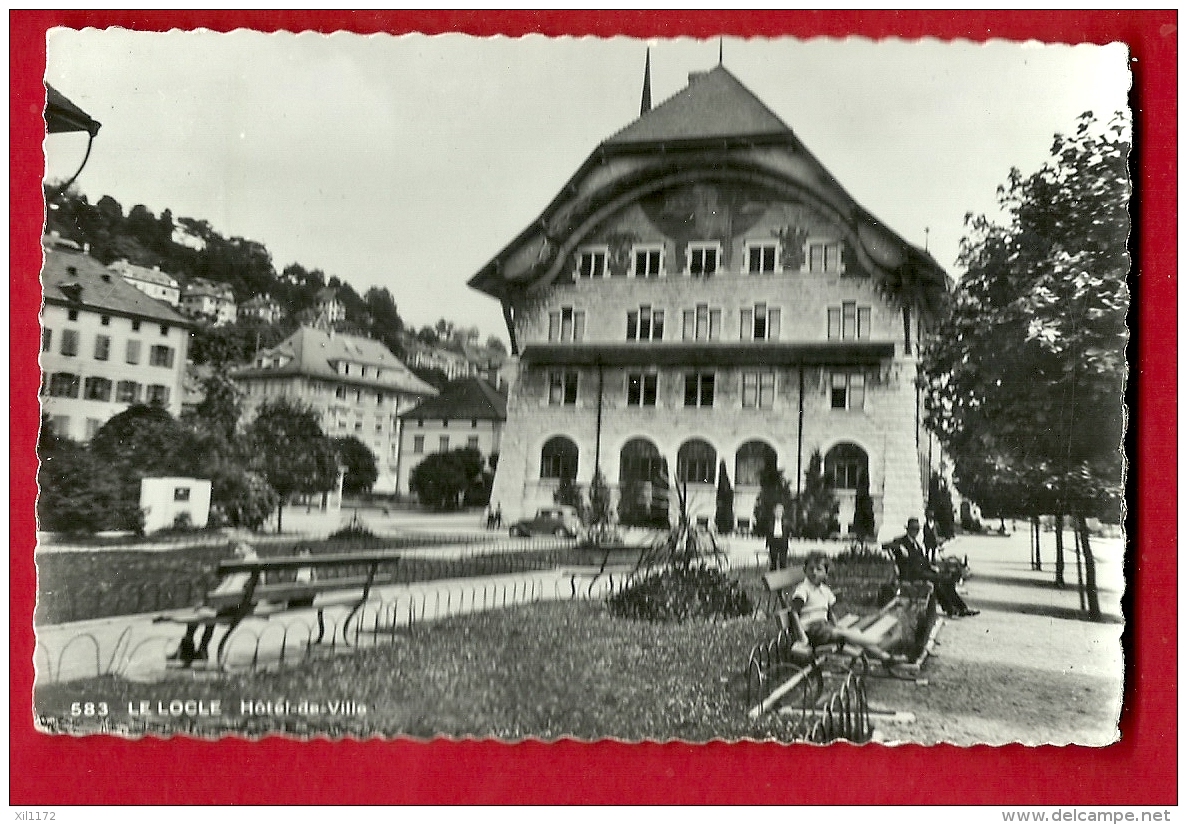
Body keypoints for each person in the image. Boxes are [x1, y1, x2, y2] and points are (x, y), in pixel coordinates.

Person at [790, 552, 909, 667]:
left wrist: (836, 625)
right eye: (811, 569)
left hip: (824, 628)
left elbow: (830, 612)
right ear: (805, 571)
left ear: (826, 573)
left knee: (852, 634)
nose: (814, 573)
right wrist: (802, 636)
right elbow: (793, 612)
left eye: (818, 569)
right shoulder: (803, 590)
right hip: (811, 631)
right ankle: (875, 641)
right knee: (847, 634)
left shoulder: (825, 590)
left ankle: (886, 658)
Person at [166, 541, 259, 665]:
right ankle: (202, 650)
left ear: (250, 547)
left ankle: (187, 650)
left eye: (240, 547)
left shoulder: (246, 566)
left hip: (234, 608)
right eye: (236, 547)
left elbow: (233, 590)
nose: (236, 551)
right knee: (207, 609)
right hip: (242, 606)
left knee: (200, 611)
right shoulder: (254, 563)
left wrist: (215, 600)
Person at [889, 517, 979, 618]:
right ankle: (950, 609)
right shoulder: (901, 541)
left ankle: (962, 608)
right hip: (911, 574)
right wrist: (900, 547)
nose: (915, 532)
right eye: (913, 529)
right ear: (908, 529)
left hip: (922, 572)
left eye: (917, 529)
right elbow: (887, 545)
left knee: (947, 580)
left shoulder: (915, 543)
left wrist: (932, 567)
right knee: (938, 580)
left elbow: (922, 560)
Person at [766, 502, 792, 571]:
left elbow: (788, 533)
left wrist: (787, 543)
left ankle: (782, 578)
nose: (778, 514)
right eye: (777, 512)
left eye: (780, 512)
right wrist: (767, 544)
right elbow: (768, 534)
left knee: (783, 562)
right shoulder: (771, 523)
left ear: (782, 513)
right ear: (774, 513)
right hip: (774, 542)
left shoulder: (786, 523)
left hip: (782, 542)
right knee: (773, 562)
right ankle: (773, 578)